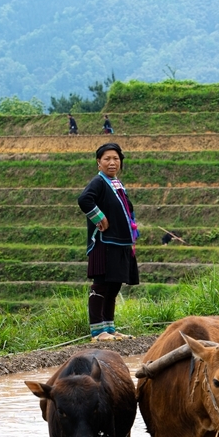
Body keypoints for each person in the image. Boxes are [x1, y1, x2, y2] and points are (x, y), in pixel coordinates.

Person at [77, 143, 139, 341]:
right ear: (98, 163)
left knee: (114, 286)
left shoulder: (116, 184)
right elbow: (84, 199)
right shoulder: (99, 182)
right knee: (101, 285)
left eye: (116, 159)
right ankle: (97, 331)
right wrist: (99, 218)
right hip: (105, 242)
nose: (112, 162)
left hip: (120, 243)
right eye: (107, 159)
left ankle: (109, 329)